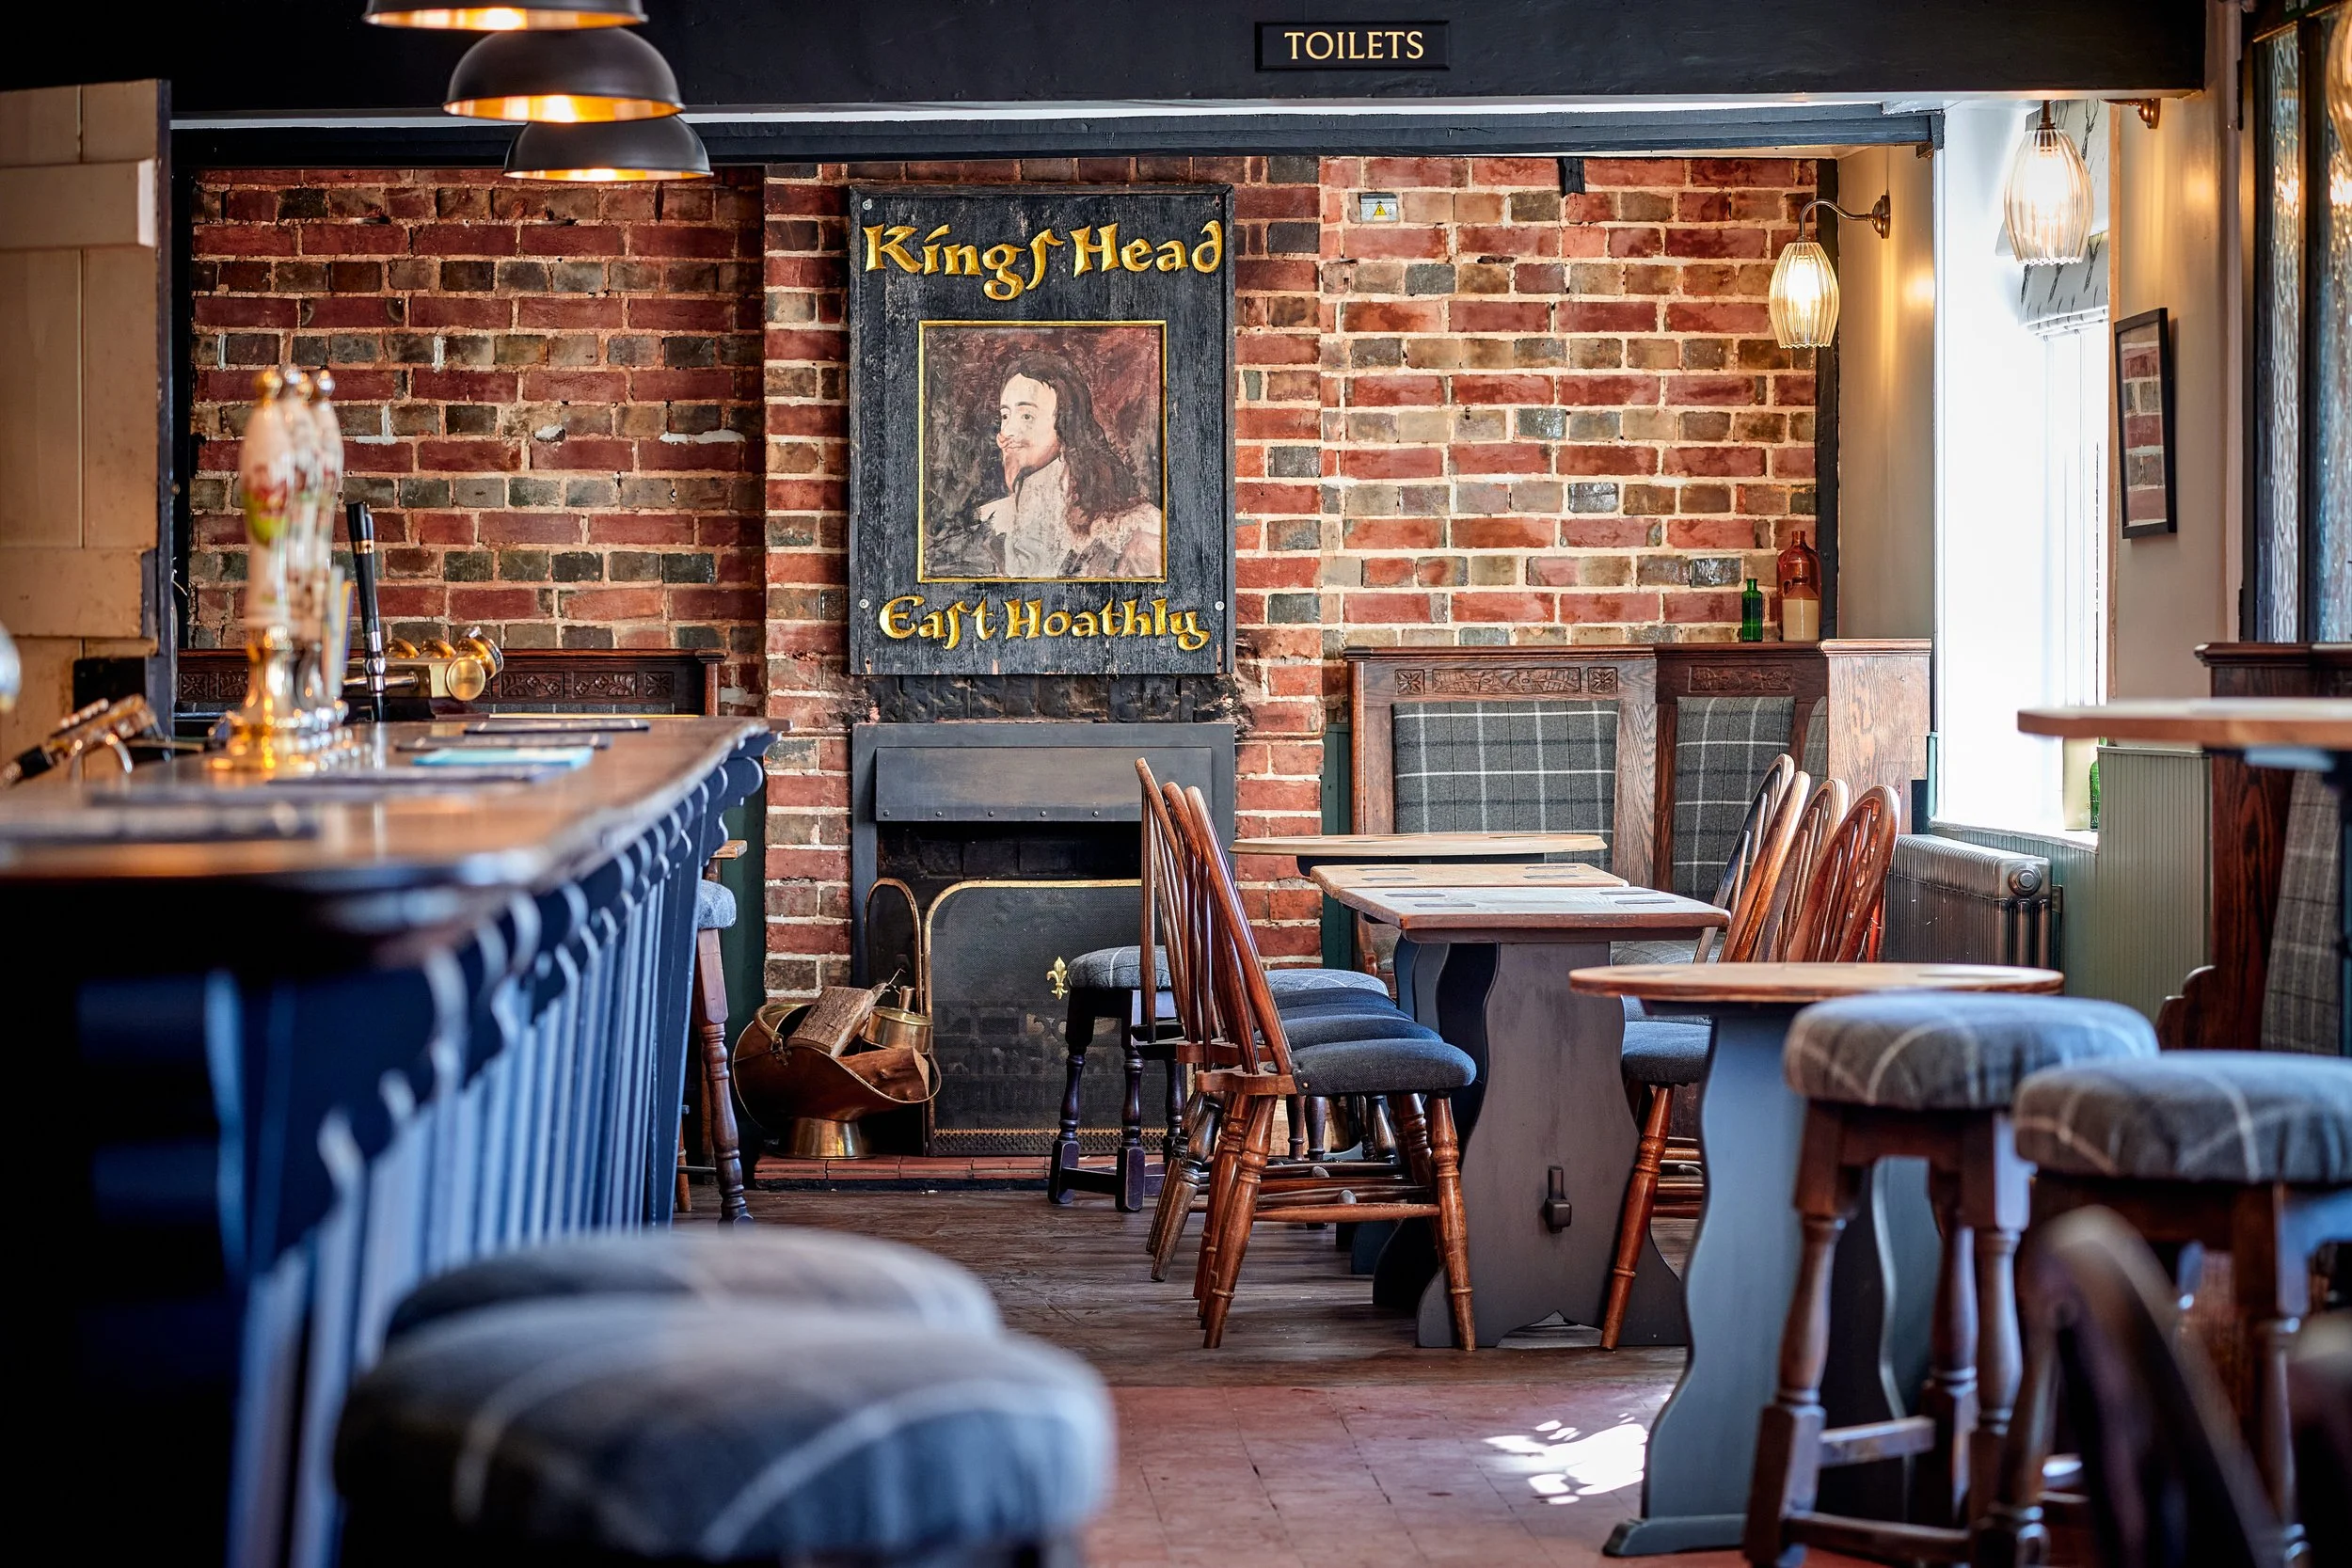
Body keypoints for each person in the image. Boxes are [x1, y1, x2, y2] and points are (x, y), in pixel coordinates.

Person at [975, 353, 1163, 579]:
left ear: (1065, 423)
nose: (1007, 432)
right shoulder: (992, 521)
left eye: (1026, 416)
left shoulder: (1131, 528)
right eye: (1005, 415)